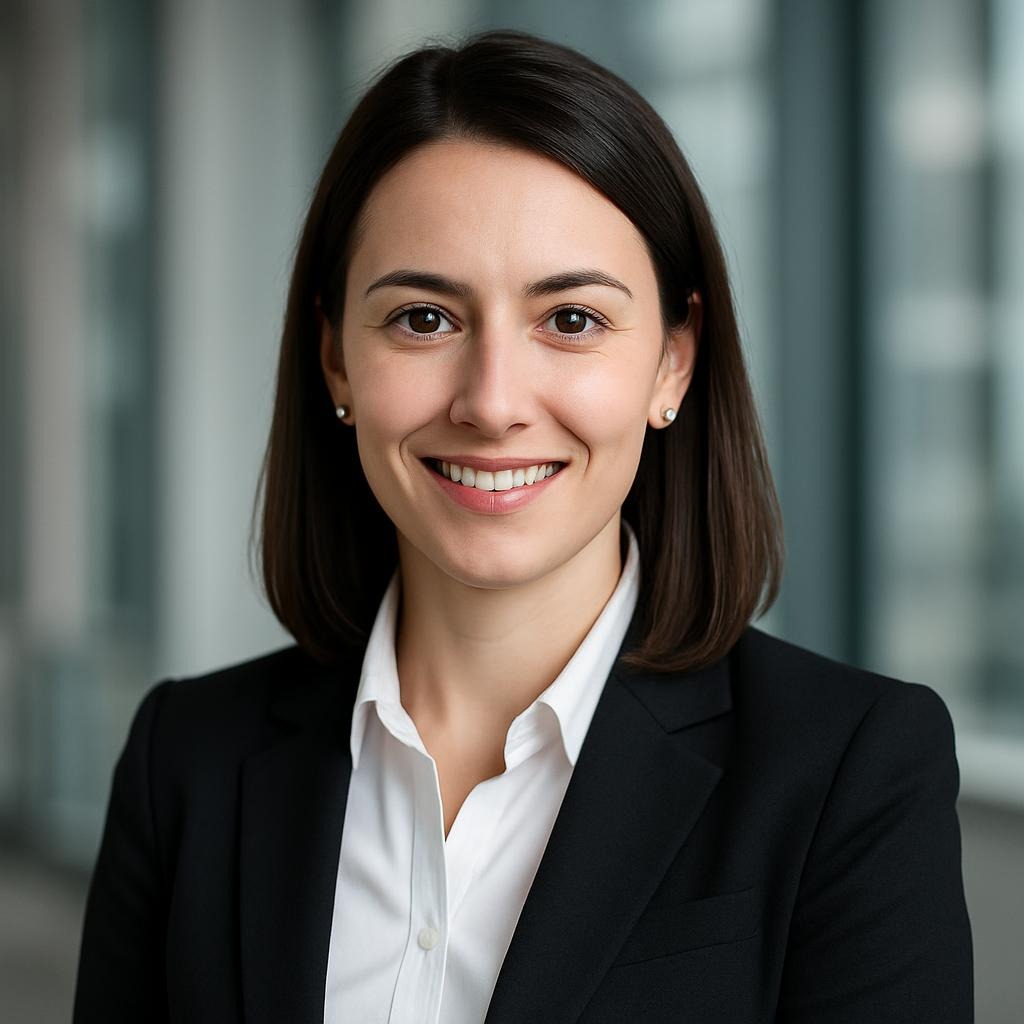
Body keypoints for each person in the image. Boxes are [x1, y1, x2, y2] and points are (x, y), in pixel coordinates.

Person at [72, 27, 973, 1024]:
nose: (492, 403)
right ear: (334, 358)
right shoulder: (184, 761)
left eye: (571, 320)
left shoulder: (849, 771)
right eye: (423, 318)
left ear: (672, 361)